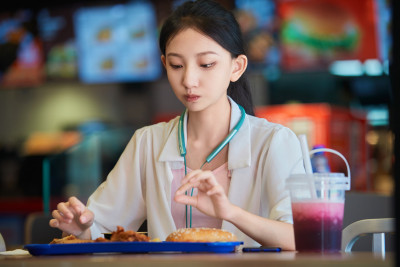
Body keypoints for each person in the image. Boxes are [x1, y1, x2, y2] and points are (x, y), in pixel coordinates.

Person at [49, 0, 304, 250]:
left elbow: (301, 238)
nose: (189, 80)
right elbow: (99, 224)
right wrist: (81, 227)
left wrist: (231, 213)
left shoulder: (274, 141)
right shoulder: (147, 143)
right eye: (176, 65)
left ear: (236, 67)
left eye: (206, 64)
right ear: (164, 65)